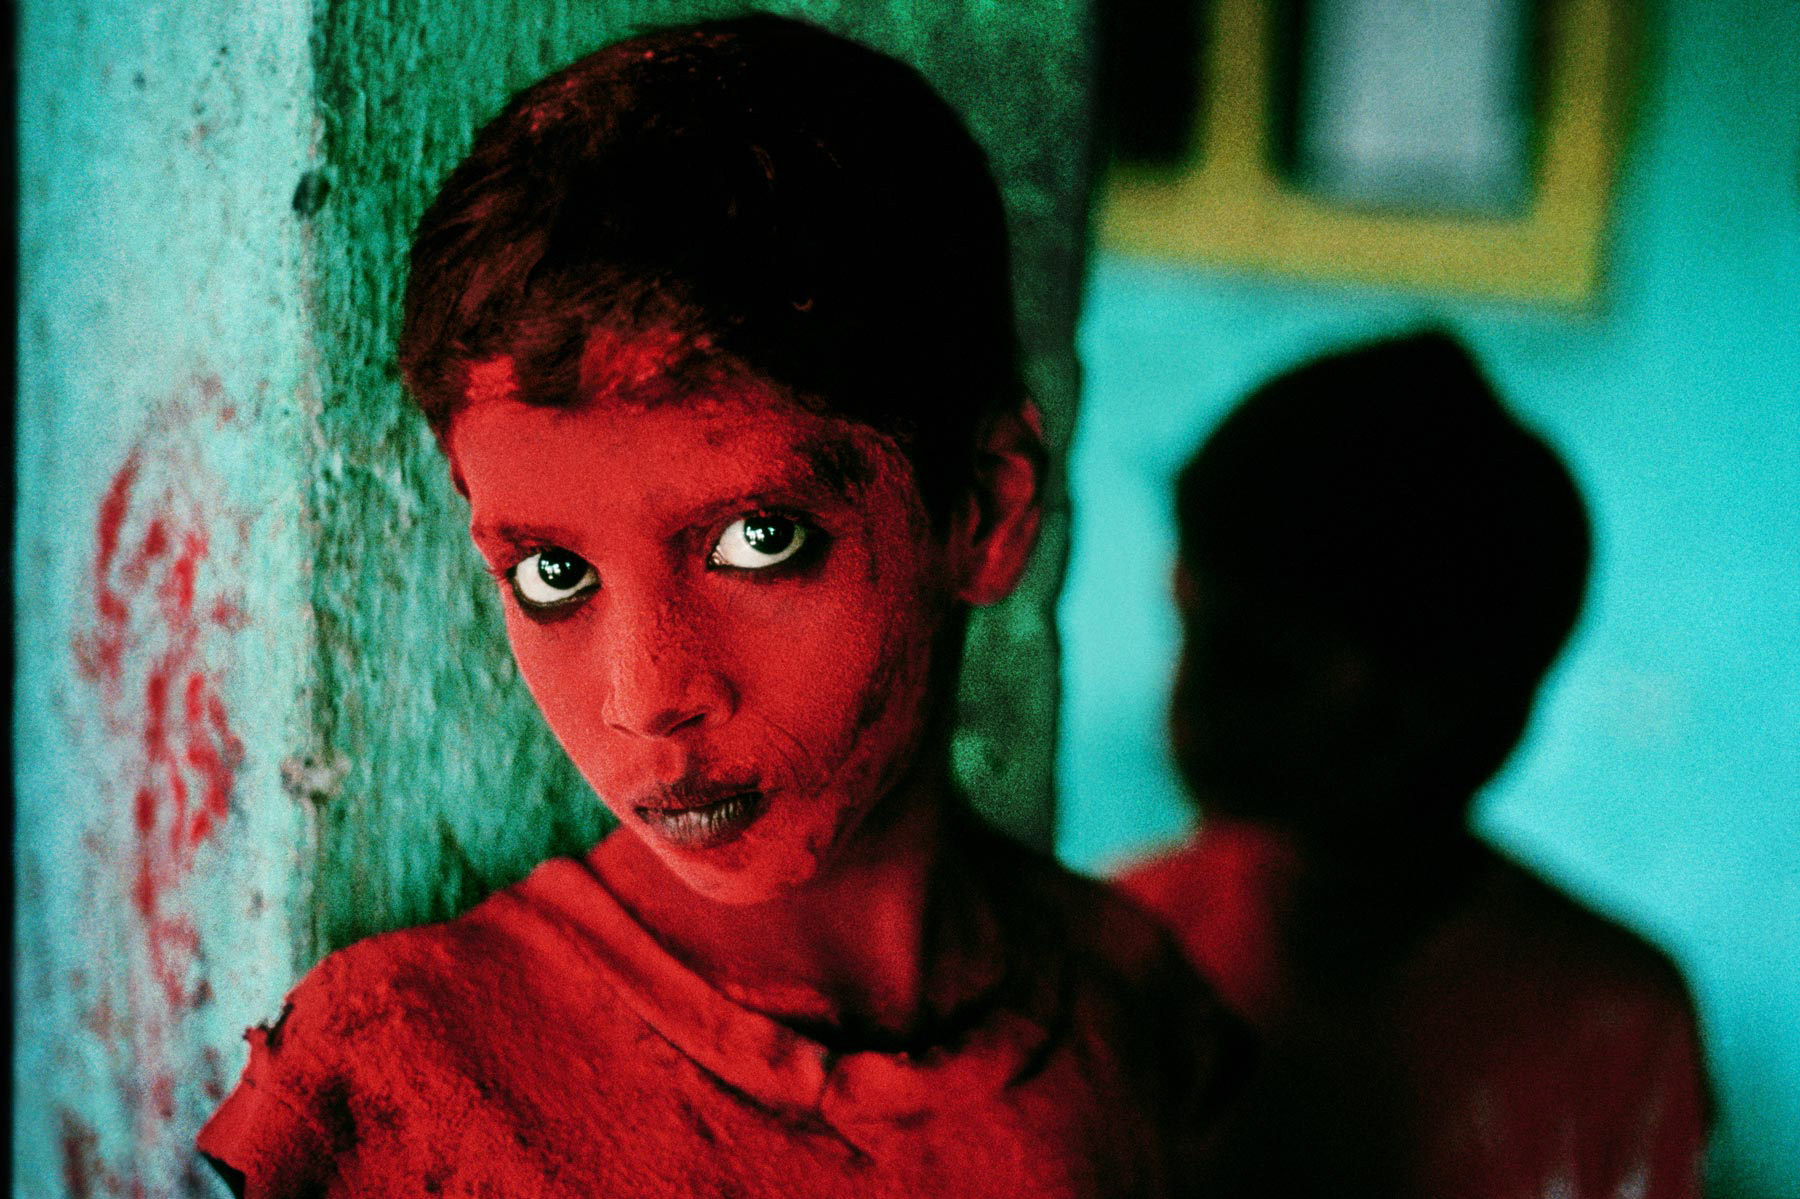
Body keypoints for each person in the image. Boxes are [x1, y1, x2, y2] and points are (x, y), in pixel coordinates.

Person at [198, 16, 1241, 1197]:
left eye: (761, 539)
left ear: (986, 512)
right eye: (551, 574)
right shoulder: (411, 1087)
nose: (646, 698)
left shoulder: (1132, 1021)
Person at [1118, 331, 1712, 1197]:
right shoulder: (1128, 954)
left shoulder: (1615, 1024)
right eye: (1191, 626)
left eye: (1265, 659)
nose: (1193, 696)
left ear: (1438, 704)